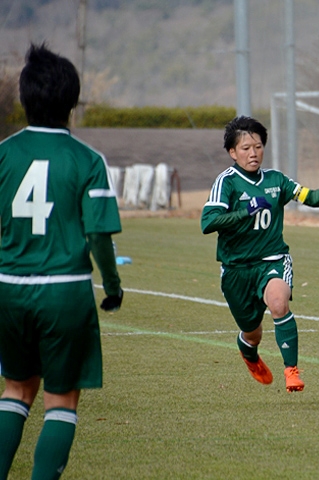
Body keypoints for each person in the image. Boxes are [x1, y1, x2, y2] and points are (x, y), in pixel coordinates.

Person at [0, 44, 123, 479]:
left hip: (9, 288)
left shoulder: (4, 153)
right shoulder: (87, 160)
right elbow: (98, 234)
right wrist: (112, 288)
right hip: (64, 291)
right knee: (62, 399)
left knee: (15, 389)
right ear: (72, 102)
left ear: (24, 97)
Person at [201, 116, 319, 393]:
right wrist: (245, 211)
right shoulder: (227, 182)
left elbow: (312, 199)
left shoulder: (276, 180)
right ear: (232, 153)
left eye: (257, 146)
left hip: (273, 259)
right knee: (252, 332)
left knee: (279, 304)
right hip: (236, 270)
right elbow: (207, 223)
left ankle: (291, 371)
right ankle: (249, 353)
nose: (253, 153)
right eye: (245, 148)